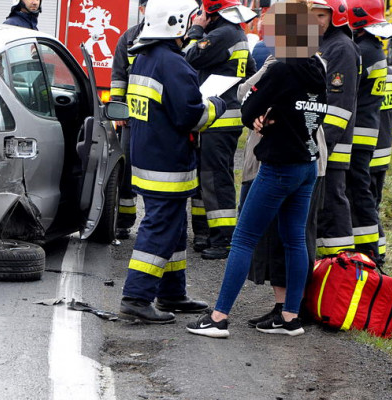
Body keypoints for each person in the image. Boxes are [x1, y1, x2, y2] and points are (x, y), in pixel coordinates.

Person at [186, 0, 327, 338]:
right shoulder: (317, 66)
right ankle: (290, 317)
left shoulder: (280, 68)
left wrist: (259, 116)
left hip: (278, 165)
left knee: (243, 239)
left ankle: (218, 318)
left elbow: (248, 105)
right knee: (294, 240)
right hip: (308, 163)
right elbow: (311, 109)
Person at [118, 0, 225, 324]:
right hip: (167, 164)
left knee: (175, 230)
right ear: (177, 22)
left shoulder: (145, 57)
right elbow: (190, 117)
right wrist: (216, 106)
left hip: (150, 157)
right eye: (192, 18)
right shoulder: (173, 64)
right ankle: (136, 297)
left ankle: (172, 293)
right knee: (160, 228)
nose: (195, 23)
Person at [184, 0, 257, 260]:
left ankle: (223, 239)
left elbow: (188, 58)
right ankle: (206, 234)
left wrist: (195, 31)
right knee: (208, 178)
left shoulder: (221, 34)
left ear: (210, 12)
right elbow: (251, 71)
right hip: (222, 117)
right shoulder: (236, 33)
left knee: (215, 179)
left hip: (219, 119)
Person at [345, 0, 392, 262]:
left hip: (358, 138)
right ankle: (375, 251)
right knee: (366, 197)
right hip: (375, 139)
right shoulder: (375, 50)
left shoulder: (361, 51)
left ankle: (370, 253)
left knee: (359, 196)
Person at [314, 0, 361, 259]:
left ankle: (341, 264)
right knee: (321, 209)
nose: (316, 21)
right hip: (317, 142)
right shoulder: (320, 44)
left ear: (336, 17)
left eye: (321, 16)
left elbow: (339, 106)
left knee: (332, 205)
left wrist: (321, 145)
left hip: (331, 145)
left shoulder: (341, 47)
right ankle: (324, 265)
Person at [109, 0, 147, 240]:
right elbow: (119, 74)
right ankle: (124, 221)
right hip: (131, 119)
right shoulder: (130, 37)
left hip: (157, 119)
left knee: (157, 175)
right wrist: (118, 105)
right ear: (142, 9)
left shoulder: (174, 37)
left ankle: (154, 223)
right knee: (127, 172)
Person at [370, 67, 392, 265]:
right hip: (382, 153)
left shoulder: (363, 71)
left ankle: (374, 253)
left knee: (363, 206)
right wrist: (387, 138)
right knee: (374, 205)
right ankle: (379, 251)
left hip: (362, 155)